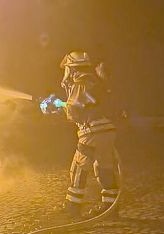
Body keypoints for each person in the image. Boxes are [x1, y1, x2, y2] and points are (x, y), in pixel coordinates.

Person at [41, 50, 121, 218]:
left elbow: (74, 111)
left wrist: (57, 104)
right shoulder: (93, 81)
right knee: (104, 167)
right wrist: (59, 107)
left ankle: (72, 206)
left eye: (67, 69)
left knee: (78, 166)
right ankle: (110, 206)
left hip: (92, 131)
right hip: (107, 130)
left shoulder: (81, 82)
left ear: (72, 68)